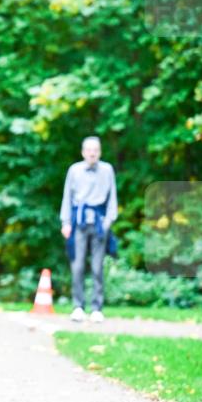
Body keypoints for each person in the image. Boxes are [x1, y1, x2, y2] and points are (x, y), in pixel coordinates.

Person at [60, 136, 118, 323]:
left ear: (99, 152)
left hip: (100, 224)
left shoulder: (107, 170)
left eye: (96, 150)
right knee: (77, 266)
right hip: (79, 223)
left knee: (97, 266)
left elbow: (112, 199)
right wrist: (66, 222)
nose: (92, 153)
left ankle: (96, 308)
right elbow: (67, 197)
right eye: (89, 150)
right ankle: (78, 306)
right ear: (83, 152)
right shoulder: (74, 170)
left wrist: (109, 221)